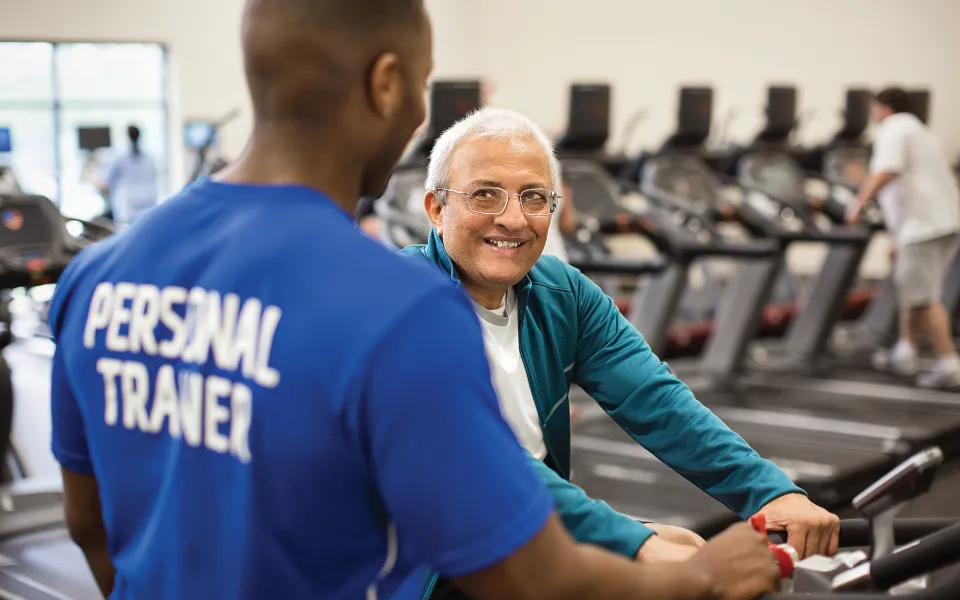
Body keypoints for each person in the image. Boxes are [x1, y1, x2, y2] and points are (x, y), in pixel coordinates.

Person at [48, 1, 782, 599]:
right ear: (388, 83)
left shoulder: (96, 274)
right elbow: (530, 575)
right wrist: (699, 579)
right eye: (426, 84)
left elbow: (89, 527)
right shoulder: (394, 307)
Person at [400, 107, 841, 596]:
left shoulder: (561, 292)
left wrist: (769, 492)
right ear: (437, 209)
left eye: (534, 197)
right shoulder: (400, 302)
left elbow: (657, 401)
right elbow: (478, 462)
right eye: (485, 194)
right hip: (422, 564)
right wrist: (635, 542)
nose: (513, 218)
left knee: (690, 552)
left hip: (519, 541)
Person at [846, 87, 960, 388]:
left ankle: (949, 363)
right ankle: (905, 352)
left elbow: (886, 172)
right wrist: (897, 238)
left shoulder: (894, 128)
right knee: (914, 287)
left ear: (883, 108)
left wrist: (858, 204)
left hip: (923, 226)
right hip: (939, 223)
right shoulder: (921, 131)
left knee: (924, 296)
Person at [101, 125, 160, 226]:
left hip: (128, 204)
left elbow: (109, 180)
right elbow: (154, 176)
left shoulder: (119, 158)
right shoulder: (149, 159)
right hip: (148, 200)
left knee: (127, 231)